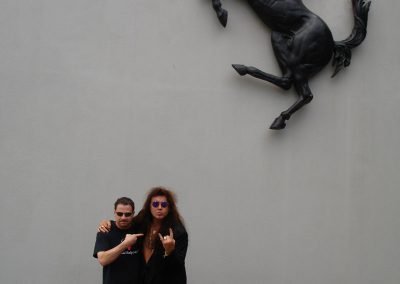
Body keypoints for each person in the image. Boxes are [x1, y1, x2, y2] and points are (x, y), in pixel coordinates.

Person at [99, 187, 188, 284]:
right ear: (149, 206)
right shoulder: (143, 220)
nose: (159, 207)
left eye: (164, 204)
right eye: (155, 204)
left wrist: (169, 251)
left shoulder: (178, 232)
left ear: (169, 207)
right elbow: (125, 221)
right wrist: (108, 223)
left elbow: (177, 266)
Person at [93, 197, 144, 284]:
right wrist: (125, 244)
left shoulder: (139, 228)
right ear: (114, 213)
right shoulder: (106, 230)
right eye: (119, 214)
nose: (123, 217)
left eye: (127, 214)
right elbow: (103, 260)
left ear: (133, 214)